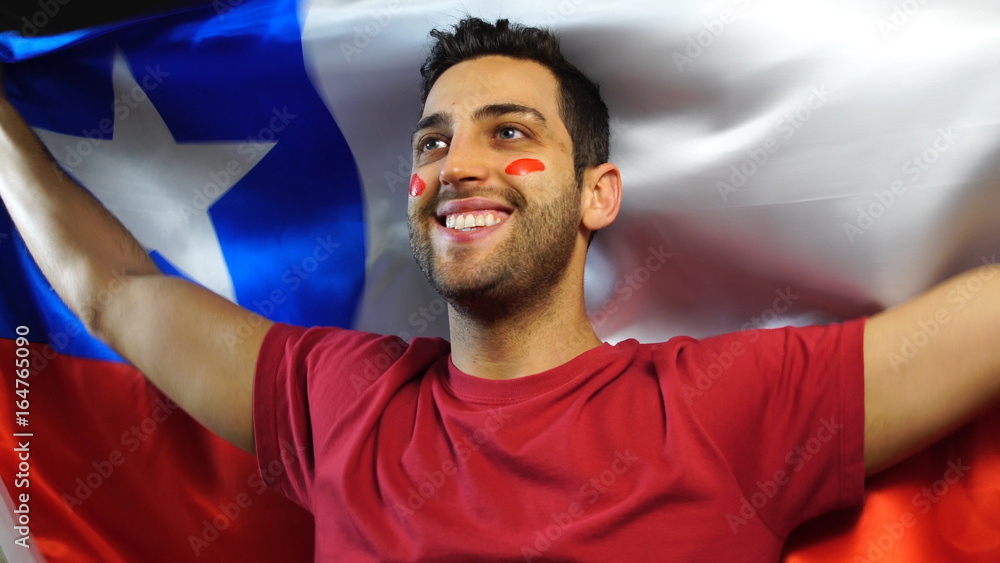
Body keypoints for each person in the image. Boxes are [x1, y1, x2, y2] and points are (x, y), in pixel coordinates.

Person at [1, 15, 998, 562]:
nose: (457, 165)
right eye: (433, 142)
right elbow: (118, 288)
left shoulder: (730, 404)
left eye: (509, 134)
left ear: (597, 192)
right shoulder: (337, 399)